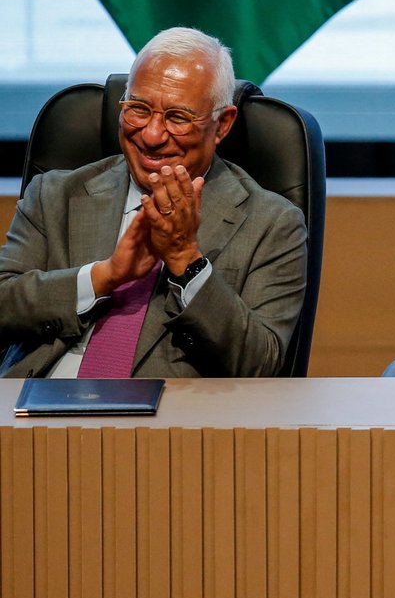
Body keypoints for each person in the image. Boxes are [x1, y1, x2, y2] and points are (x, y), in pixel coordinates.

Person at [0, 28, 307, 378]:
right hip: (33, 403)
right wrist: (103, 277)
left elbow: (260, 365)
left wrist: (186, 260)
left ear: (222, 124)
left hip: (171, 410)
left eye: (177, 117)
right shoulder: (55, 195)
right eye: (138, 109)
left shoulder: (272, 223)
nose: (151, 135)